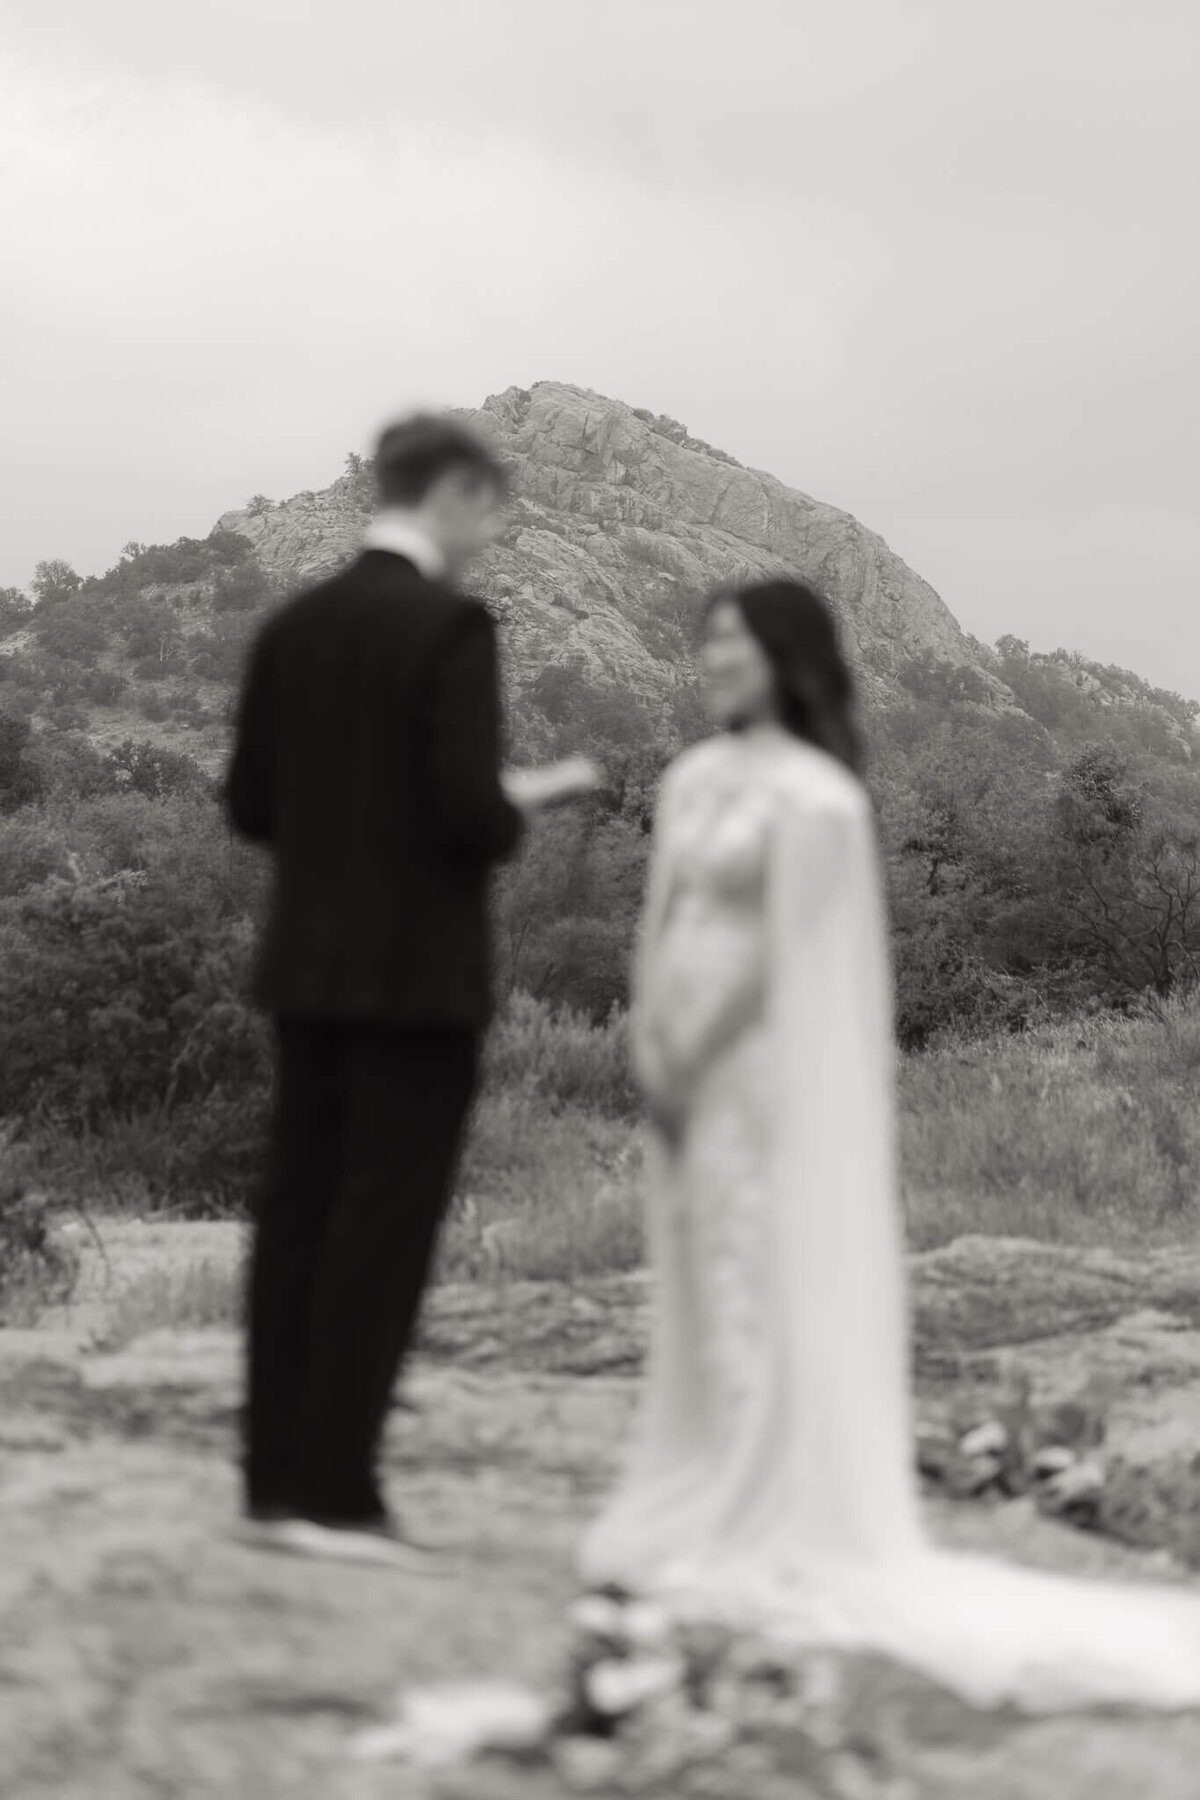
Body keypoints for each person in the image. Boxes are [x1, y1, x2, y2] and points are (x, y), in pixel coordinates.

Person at [578, 577, 1200, 1711]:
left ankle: (765, 1505)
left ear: (786, 657)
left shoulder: (819, 799)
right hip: (672, 1051)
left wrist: (699, 1048)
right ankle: (701, 1476)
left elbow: (789, 955)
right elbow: (661, 917)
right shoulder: (694, 776)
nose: (714, 658)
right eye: (706, 641)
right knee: (695, 1268)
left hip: (756, 1068)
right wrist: (648, 1038)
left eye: (734, 643)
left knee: (755, 1267)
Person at [225, 413, 601, 1568]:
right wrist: (530, 796)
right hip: (418, 978)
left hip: (305, 966)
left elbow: (251, 806)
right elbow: (468, 816)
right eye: (491, 509)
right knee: (383, 1224)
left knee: (296, 1211)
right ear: (452, 493)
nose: (492, 533)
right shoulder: (451, 626)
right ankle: (338, 1495)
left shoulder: (292, 624)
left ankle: (271, 1482)